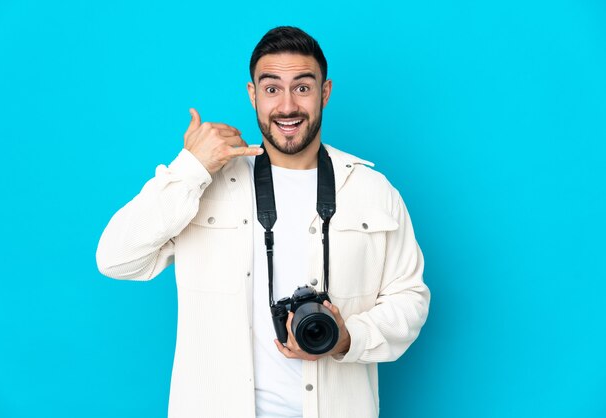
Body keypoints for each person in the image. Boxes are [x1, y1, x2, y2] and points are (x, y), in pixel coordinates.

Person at [96, 26, 430, 418]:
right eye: (272, 89)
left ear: (325, 92)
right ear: (253, 94)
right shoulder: (204, 183)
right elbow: (116, 259)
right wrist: (190, 168)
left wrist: (346, 339)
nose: (287, 106)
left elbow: (410, 298)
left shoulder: (372, 189)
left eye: (303, 87)